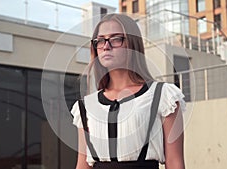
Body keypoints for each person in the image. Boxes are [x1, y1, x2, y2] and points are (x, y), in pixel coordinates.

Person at [71, 13, 186, 169]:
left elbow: (175, 163)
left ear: (133, 44)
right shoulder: (86, 106)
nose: (106, 46)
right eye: (100, 41)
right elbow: (82, 165)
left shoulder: (164, 96)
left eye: (116, 39)